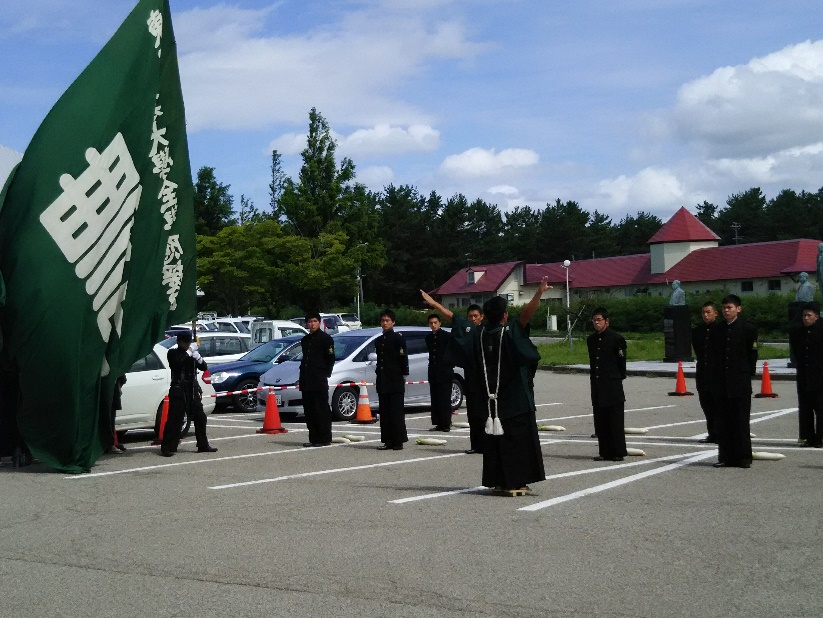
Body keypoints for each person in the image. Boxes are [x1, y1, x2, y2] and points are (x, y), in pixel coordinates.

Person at [425, 277, 550, 493]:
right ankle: (516, 482)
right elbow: (525, 316)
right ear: (504, 315)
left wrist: (436, 305)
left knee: (495, 443)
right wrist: (538, 293)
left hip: (490, 402)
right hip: (515, 401)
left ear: (485, 316)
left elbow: (456, 320)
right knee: (518, 443)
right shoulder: (508, 333)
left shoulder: (478, 335)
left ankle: (499, 481)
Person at [417, 299, 487, 453]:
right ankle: (476, 445)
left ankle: (486, 444)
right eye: (470, 316)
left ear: (482, 316)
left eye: (476, 316)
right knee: (472, 412)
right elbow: (452, 317)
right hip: (470, 375)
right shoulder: (467, 330)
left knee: (483, 413)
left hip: (484, 377)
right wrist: (435, 304)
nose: (473, 319)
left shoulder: (485, 332)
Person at [709, 294, 758, 469]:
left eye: (729, 307)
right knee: (724, 422)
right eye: (724, 308)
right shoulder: (717, 329)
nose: (726, 311)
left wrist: (747, 375)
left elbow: (752, 354)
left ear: (738, 309)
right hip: (722, 383)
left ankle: (744, 457)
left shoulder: (747, 328)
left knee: (741, 421)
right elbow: (714, 355)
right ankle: (726, 457)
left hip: (739, 381)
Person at [160, 331, 217, 457]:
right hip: (178, 388)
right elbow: (178, 363)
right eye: (186, 342)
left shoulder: (191, 354)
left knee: (200, 417)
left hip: (191, 389)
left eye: (189, 342)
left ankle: (202, 444)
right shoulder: (173, 352)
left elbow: (203, 367)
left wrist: (197, 356)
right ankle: (167, 447)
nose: (188, 345)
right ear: (180, 342)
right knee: (175, 419)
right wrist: (190, 352)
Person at [587, 307, 628, 462]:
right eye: (594, 320)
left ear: (606, 321)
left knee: (615, 420)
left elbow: (621, 362)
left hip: (612, 384)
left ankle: (618, 451)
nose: (596, 323)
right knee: (601, 419)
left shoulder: (616, 338)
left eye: (599, 320)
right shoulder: (591, 340)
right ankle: (604, 451)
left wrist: (617, 378)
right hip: (598, 384)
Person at [299, 312, 336, 447]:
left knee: (321, 409)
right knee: (309, 410)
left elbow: (330, 358)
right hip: (306, 379)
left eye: (314, 321)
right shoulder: (305, 340)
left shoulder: (326, 339)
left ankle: (324, 438)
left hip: (319, 378)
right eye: (310, 321)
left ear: (319, 322)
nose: (312, 324)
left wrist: (326, 373)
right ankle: (313, 438)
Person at [788, 302, 823, 447]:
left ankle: (820, 438)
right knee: (805, 408)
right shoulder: (798, 332)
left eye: (809, 315)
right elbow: (797, 353)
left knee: (821, 408)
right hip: (804, 375)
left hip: (820, 376)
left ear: (816, 316)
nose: (806, 318)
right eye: (804, 315)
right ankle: (808, 437)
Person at [375, 309, 409, 451]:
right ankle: (387, 440)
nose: (385, 323)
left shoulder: (398, 338)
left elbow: (403, 358)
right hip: (383, 380)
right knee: (385, 412)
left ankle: (398, 441)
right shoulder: (379, 340)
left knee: (396, 412)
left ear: (393, 322)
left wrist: (404, 374)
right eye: (383, 320)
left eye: (388, 320)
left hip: (395, 379)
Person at [691, 301, 719, 443]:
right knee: (706, 402)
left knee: (718, 404)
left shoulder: (721, 330)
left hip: (717, 372)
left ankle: (721, 433)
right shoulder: (697, 331)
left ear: (715, 313)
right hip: (703, 371)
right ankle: (712, 433)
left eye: (708, 312)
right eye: (703, 312)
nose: (705, 315)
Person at [425, 313, 454, 432]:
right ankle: (438, 422)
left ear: (440, 323)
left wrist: (448, 365)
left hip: (445, 370)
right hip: (433, 370)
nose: (433, 325)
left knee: (445, 398)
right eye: (431, 323)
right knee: (435, 398)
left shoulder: (447, 336)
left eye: (435, 323)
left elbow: (451, 353)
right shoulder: (428, 338)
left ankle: (446, 423)